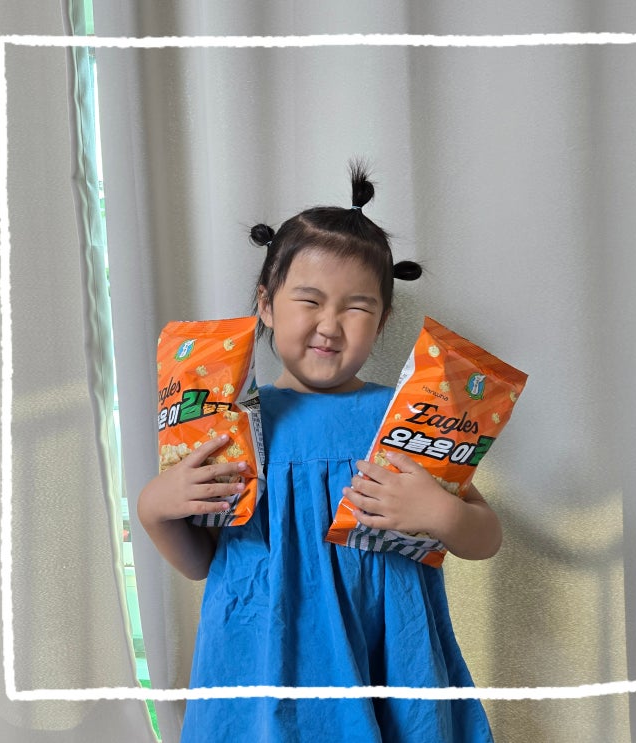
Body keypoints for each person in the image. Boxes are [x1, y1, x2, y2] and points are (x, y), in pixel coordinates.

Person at [138, 163, 500, 742]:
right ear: (266, 305)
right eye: (309, 300)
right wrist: (155, 508)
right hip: (260, 656)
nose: (330, 325)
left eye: (357, 307)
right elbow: (204, 563)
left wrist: (441, 513)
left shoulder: (402, 418)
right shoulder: (233, 419)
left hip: (386, 652)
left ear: (381, 322)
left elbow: (484, 538)